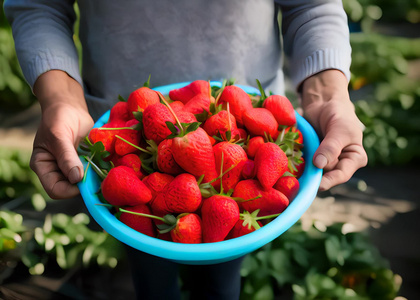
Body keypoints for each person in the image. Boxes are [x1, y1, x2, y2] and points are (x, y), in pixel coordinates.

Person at [4, 0, 368, 299]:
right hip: (120, 129)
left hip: (248, 120)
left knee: (221, 275)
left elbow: (312, 4)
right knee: (150, 271)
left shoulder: (242, 160)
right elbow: (39, 5)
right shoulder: (144, 163)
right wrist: (60, 100)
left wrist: (329, 96)